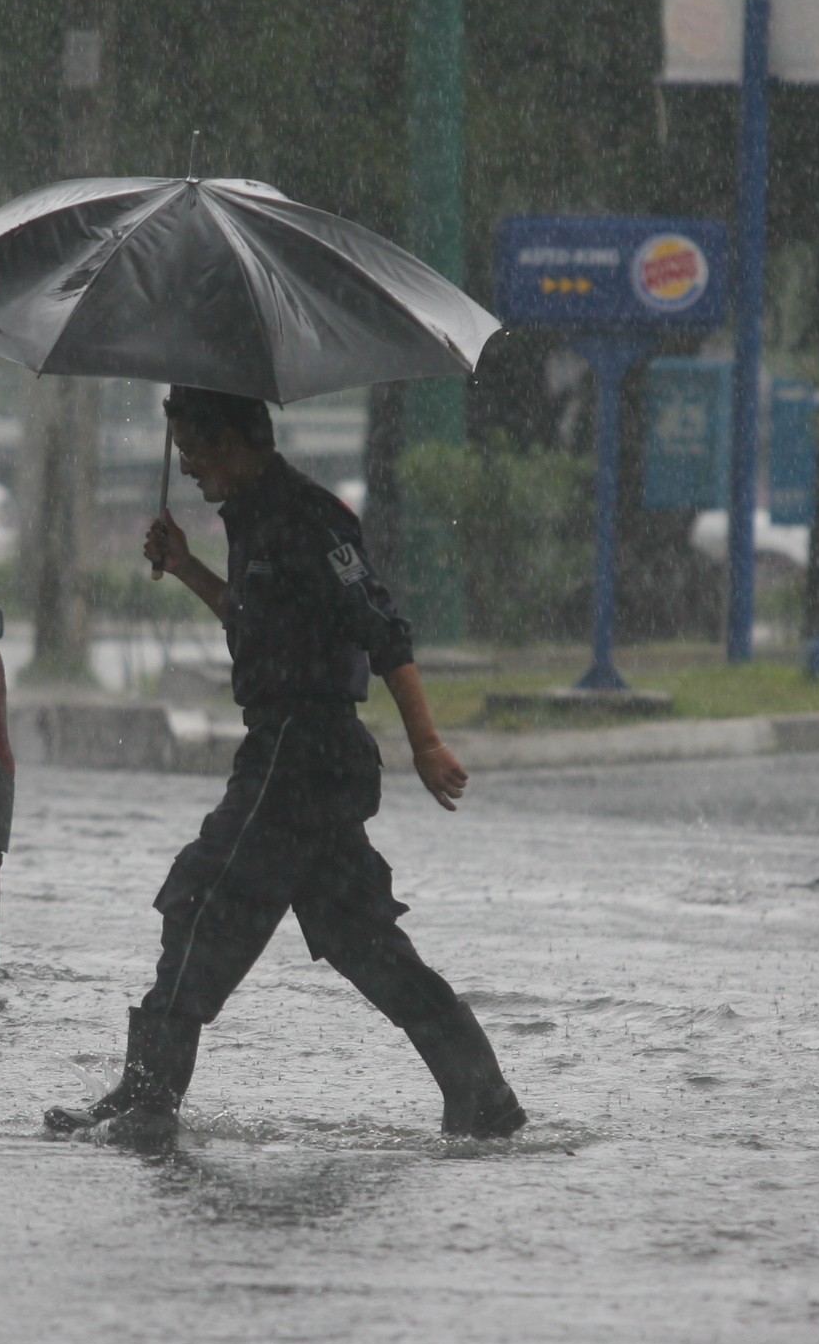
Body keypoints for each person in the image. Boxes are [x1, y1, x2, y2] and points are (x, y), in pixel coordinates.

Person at [46, 388, 526, 1146]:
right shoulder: (250, 520)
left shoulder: (310, 518)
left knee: (202, 897)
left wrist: (425, 742)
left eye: (195, 453)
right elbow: (256, 622)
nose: (189, 469)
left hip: (301, 752)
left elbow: (384, 629)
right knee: (361, 936)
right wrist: (186, 567)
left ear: (238, 441)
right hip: (292, 751)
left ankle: (148, 1099)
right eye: (182, 457)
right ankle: (483, 1096)